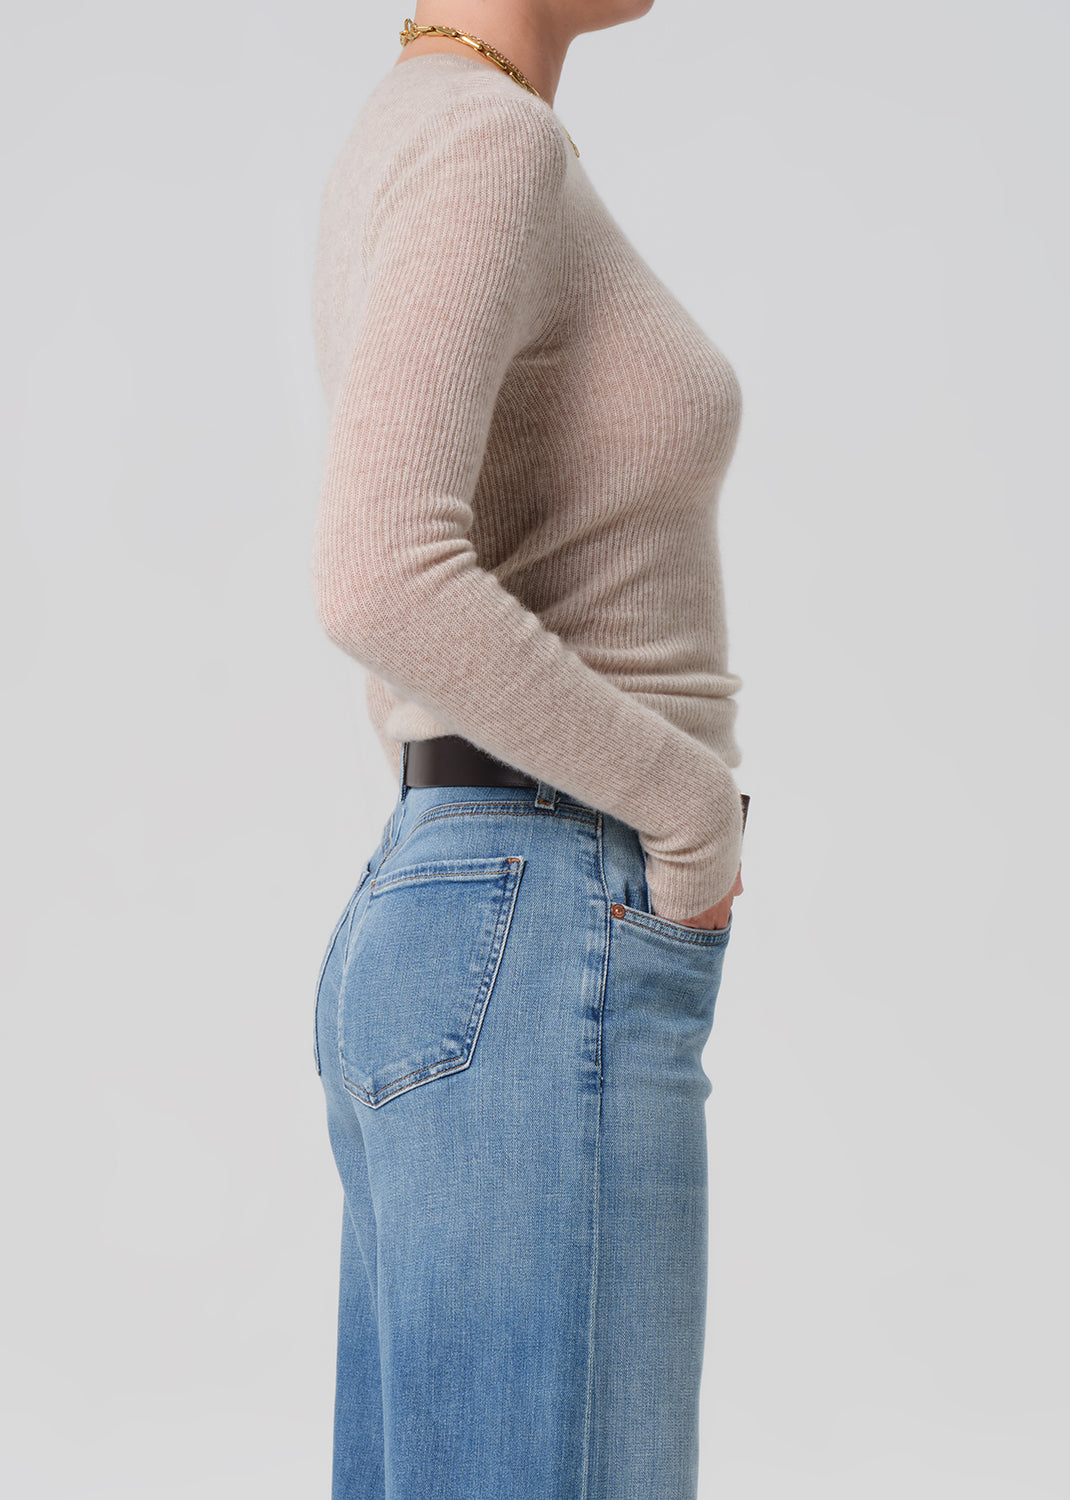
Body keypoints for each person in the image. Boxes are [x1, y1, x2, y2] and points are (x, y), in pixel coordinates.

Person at [309, 4, 749, 1495]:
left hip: (479, 909)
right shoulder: (484, 144)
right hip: (543, 904)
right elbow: (376, 569)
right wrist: (690, 813)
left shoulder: (436, 125)